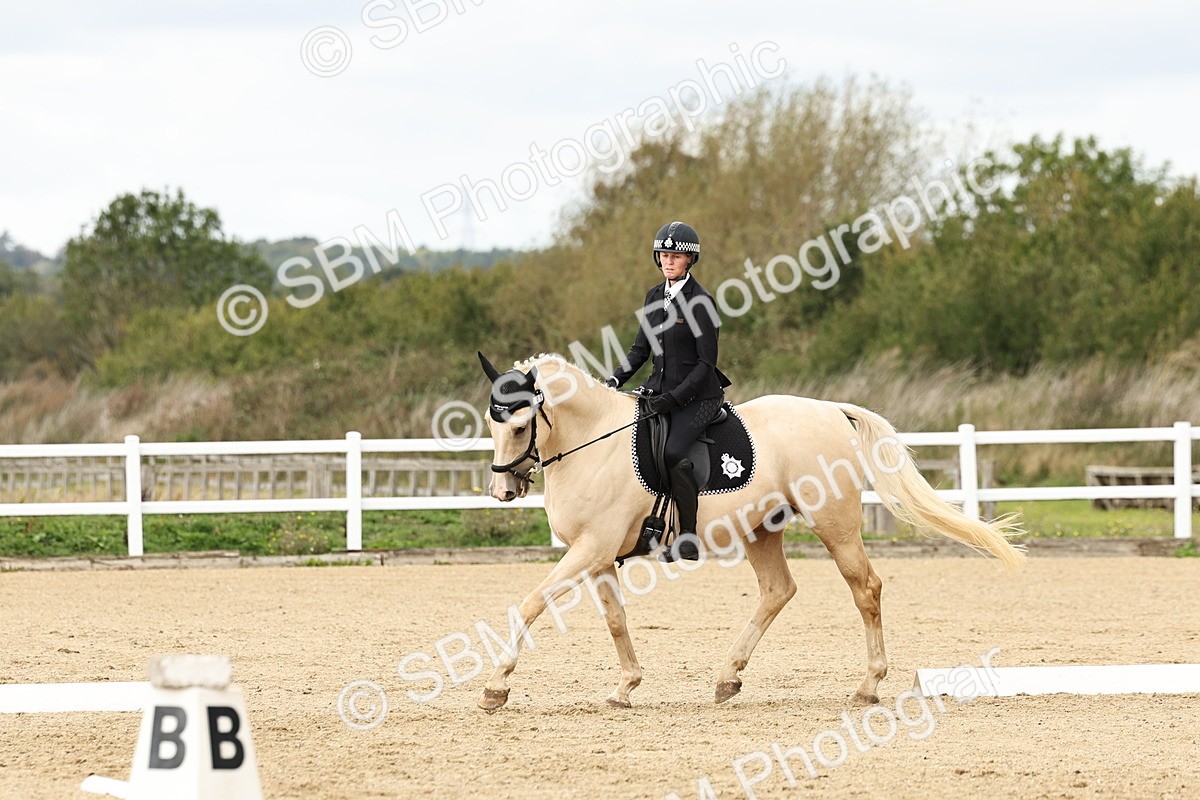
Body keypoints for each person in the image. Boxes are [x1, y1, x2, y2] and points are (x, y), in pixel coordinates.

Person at [606, 221, 731, 561]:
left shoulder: (701, 302)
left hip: (700, 396)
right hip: (659, 391)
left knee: (674, 452)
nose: (668, 261)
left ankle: (687, 537)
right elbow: (639, 351)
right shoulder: (653, 296)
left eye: (676, 256)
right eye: (663, 254)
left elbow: (706, 364)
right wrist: (614, 380)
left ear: (689, 260)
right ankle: (648, 528)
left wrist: (673, 399)